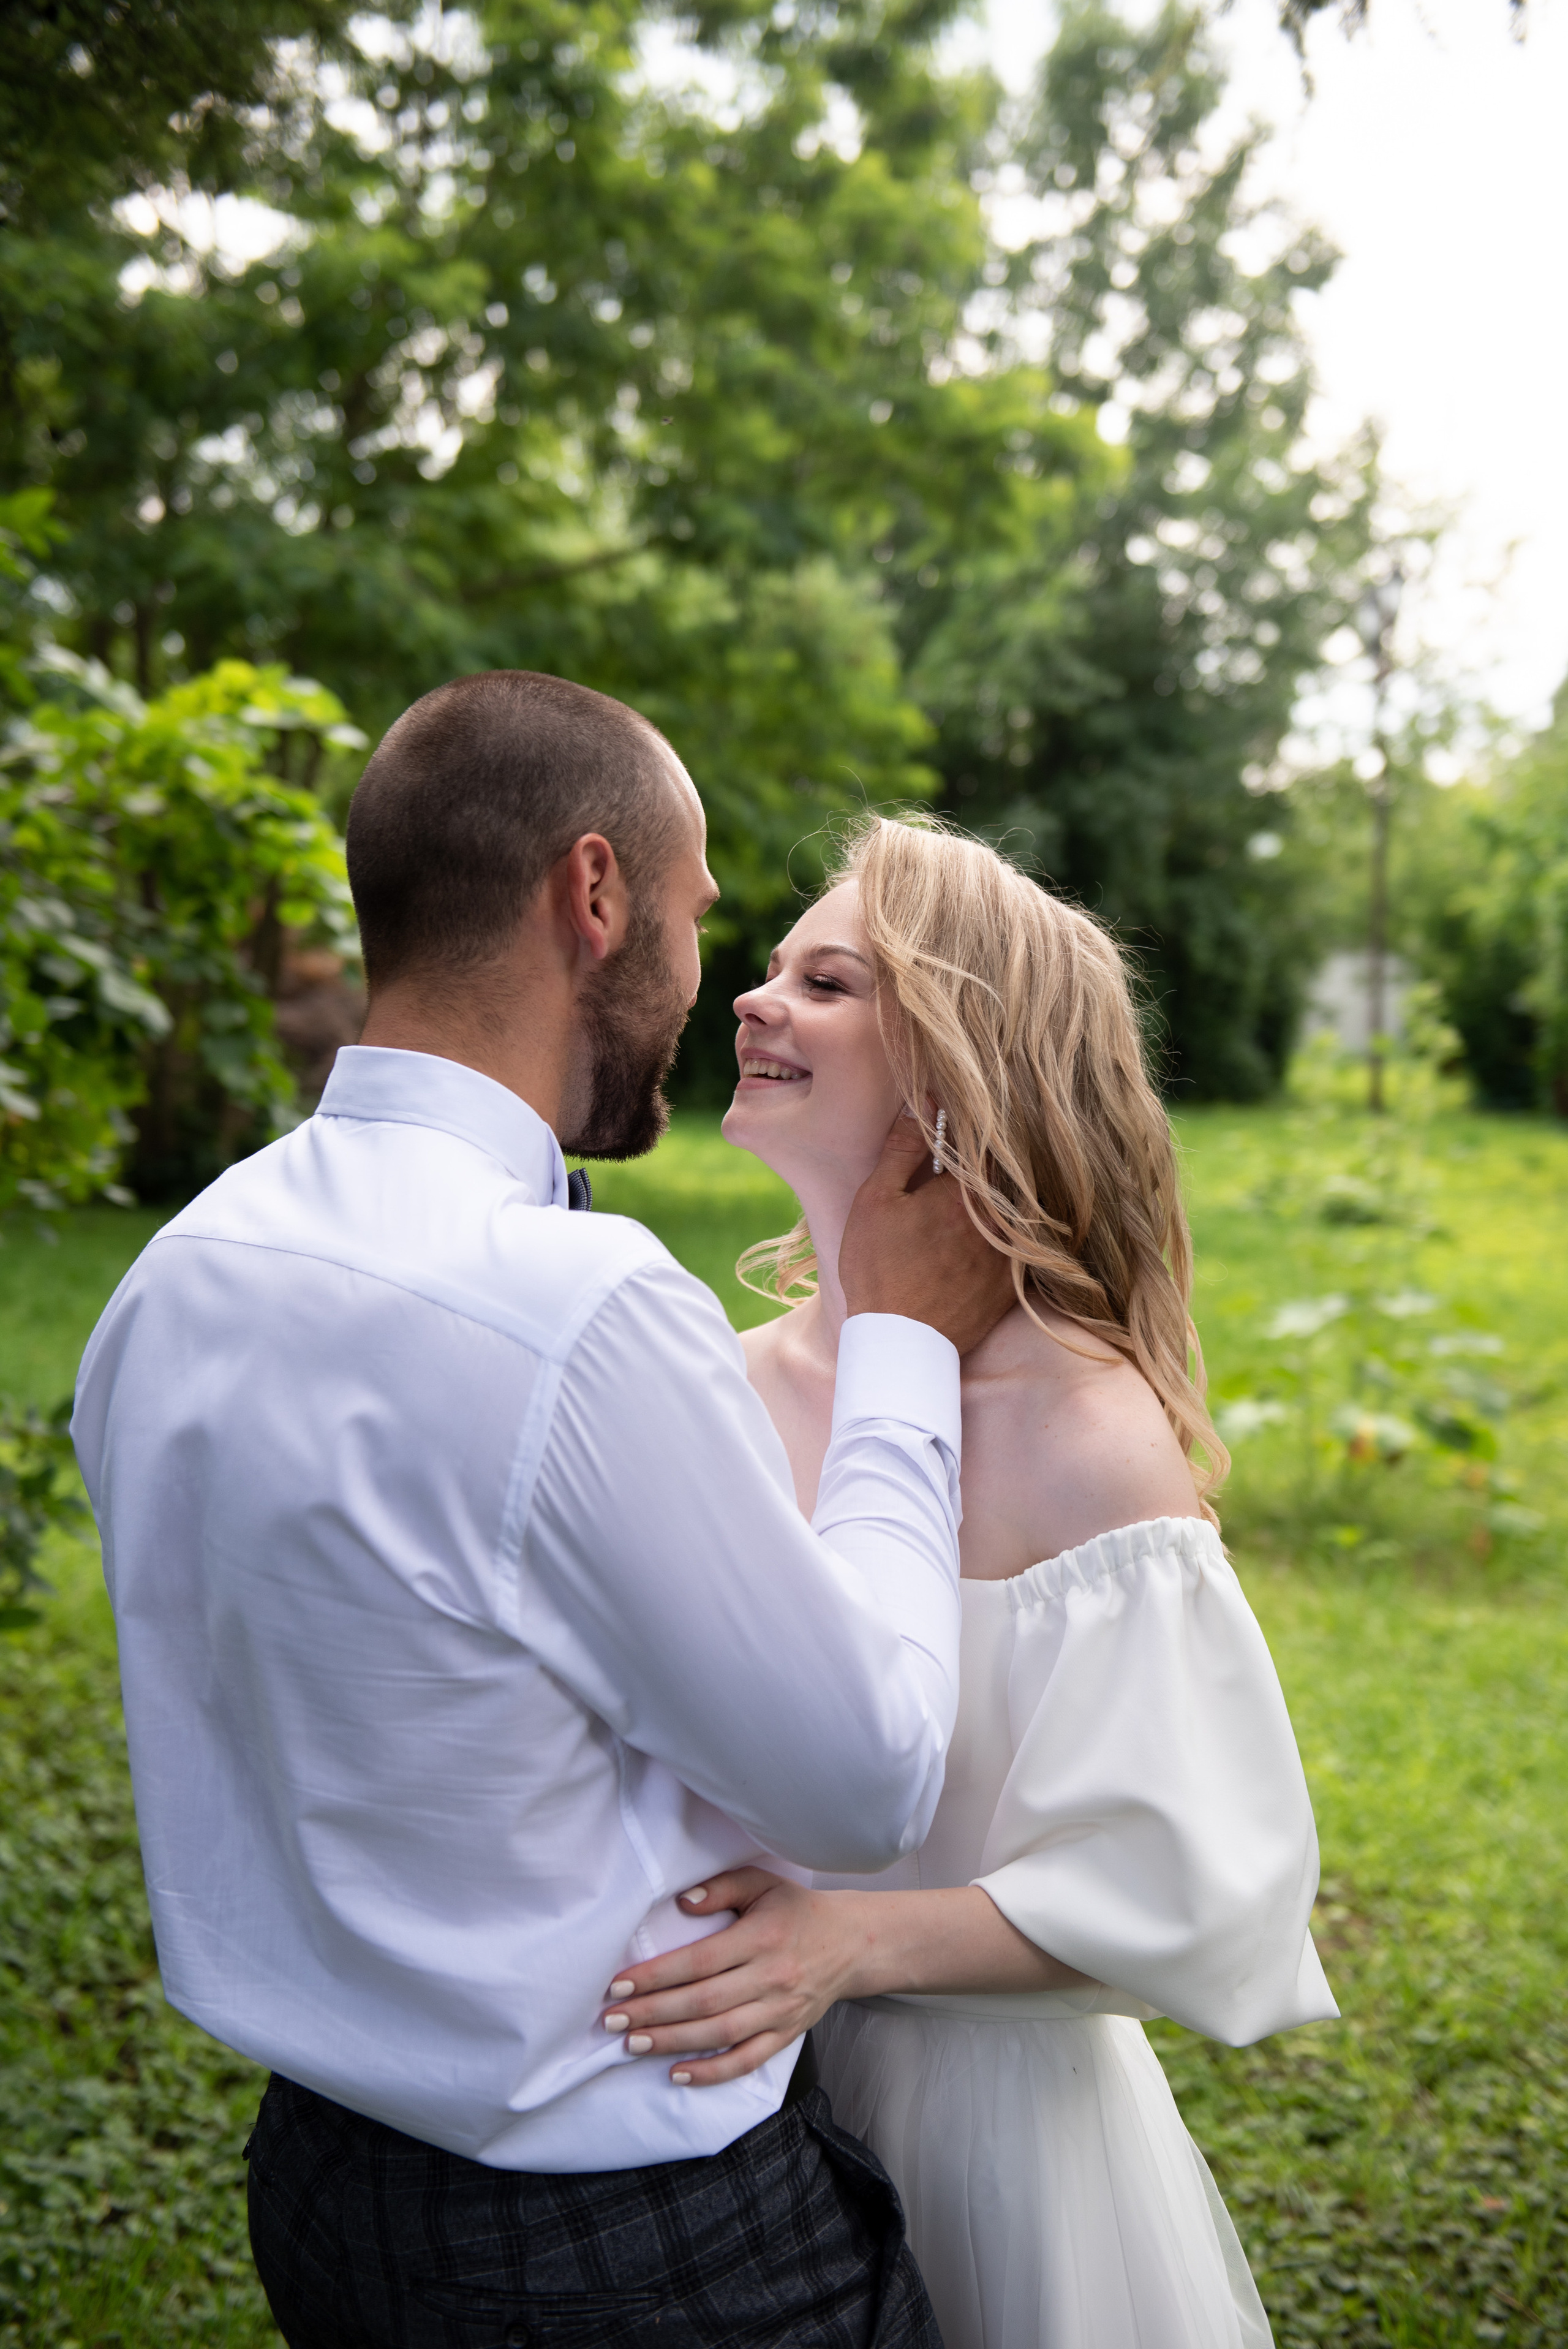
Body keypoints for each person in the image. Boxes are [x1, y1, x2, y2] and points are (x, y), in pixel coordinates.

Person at [71, 678, 1020, 2349]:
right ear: (593, 897)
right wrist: (901, 1346)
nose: (710, 979)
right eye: (693, 913)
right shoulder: (571, 1310)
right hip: (622, 2256)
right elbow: (868, 1775)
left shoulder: (176, 1276)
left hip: (319, 2192)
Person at [594, 815, 1339, 2349]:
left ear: (956, 1061)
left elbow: (1193, 1891)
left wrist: (851, 1942)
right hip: (710, 2116)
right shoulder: (712, 1387)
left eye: (829, 981)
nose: (752, 1001)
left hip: (978, 2138)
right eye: (769, 967)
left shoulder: (1082, 1434)